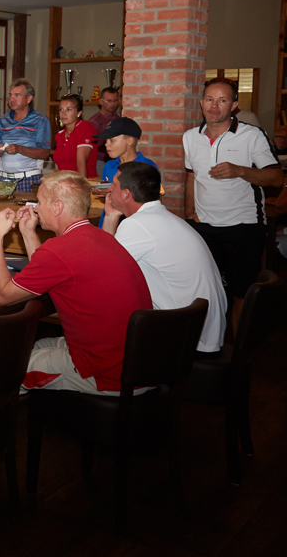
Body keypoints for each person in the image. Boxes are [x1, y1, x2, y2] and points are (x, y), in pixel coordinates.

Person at [0, 170, 151, 395]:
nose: (35, 208)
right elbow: (44, 271)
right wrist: (27, 232)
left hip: (108, 373)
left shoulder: (60, 249)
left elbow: (3, 296)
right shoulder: (101, 237)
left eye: (40, 202)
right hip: (138, 361)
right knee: (27, 349)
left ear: (57, 207)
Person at [103, 161, 226, 352]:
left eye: (114, 184)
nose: (109, 189)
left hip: (188, 340)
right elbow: (108, 260)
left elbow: (102, 271)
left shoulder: (138, 225)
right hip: (203, 331)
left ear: (126, 193)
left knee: (104, 325)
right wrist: (111, 216)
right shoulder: (163, 217)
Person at [184, 77, 283, 304]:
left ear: (234, 105)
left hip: (243, 226)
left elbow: (277, 178)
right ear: (201, 102)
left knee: (242, 292)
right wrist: (189, 213)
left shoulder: (252, 135)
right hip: (204, 226)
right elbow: (191, 176)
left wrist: (239, 170)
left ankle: (239, 329)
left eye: (222, 100)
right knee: (205, 290)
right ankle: (213, 329)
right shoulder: (190, 137)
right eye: (209, 99)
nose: (214, 106)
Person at [0, 78, 51, 192]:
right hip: (3, 179)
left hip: (28, 179)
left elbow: (44, 153)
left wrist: (19, 149)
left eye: (17, 95)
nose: (12, 99)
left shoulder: (40, 120)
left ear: (29, 98)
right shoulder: (3, 120)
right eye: (11, 95)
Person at [96, 117, 156, 228]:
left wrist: (114, 194)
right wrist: (103, 194)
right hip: (108, 223)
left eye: (112, 140)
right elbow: (106, 199)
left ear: (129, 140)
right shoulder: (109, 165)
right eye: (106, 141)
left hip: (135, 226)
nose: (106, 144)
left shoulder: (146, 167)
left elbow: (151, 204)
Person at [52, 93, 98, 179]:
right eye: (61, 109)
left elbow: (81, 162)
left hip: (82, 183)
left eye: (69, 109)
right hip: (64, 184)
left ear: (79, 113)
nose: (63, 113)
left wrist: (82, 186)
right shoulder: (59, 135)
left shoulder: (85, 127)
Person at [87, 86, 121, 168]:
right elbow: (89, 147)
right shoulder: (94, 122)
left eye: (115, 100)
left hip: (118, 159)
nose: (113, 104)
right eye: (109, 101)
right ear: (101, 101)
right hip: (100, 161)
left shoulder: (119, 117)